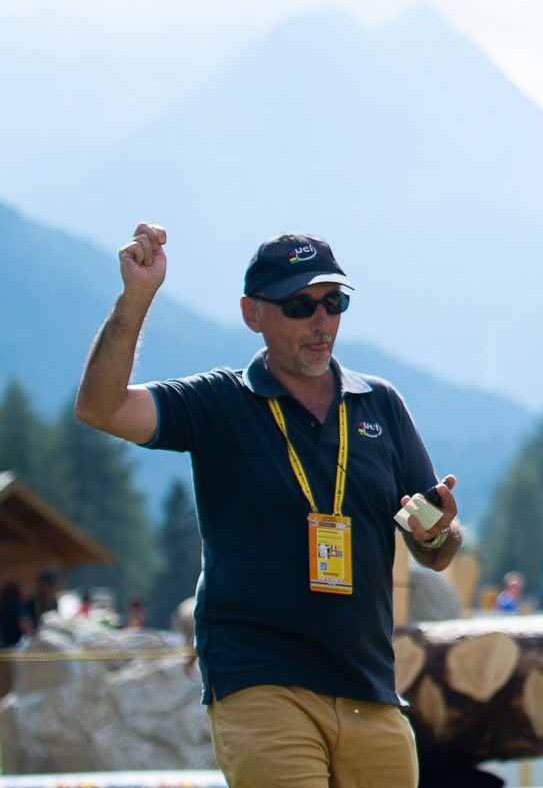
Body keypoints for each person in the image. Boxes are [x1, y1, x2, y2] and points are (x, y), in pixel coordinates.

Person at [74, 224, 462, 788]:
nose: (320, 320)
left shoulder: (381, 404)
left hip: (369, 687)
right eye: (299, 306)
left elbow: (436, 551)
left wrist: (436, 533)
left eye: (334, 302)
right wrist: (137, 297)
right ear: (253, 314)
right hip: (260, 682)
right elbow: (100, 407)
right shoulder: (218, 401)